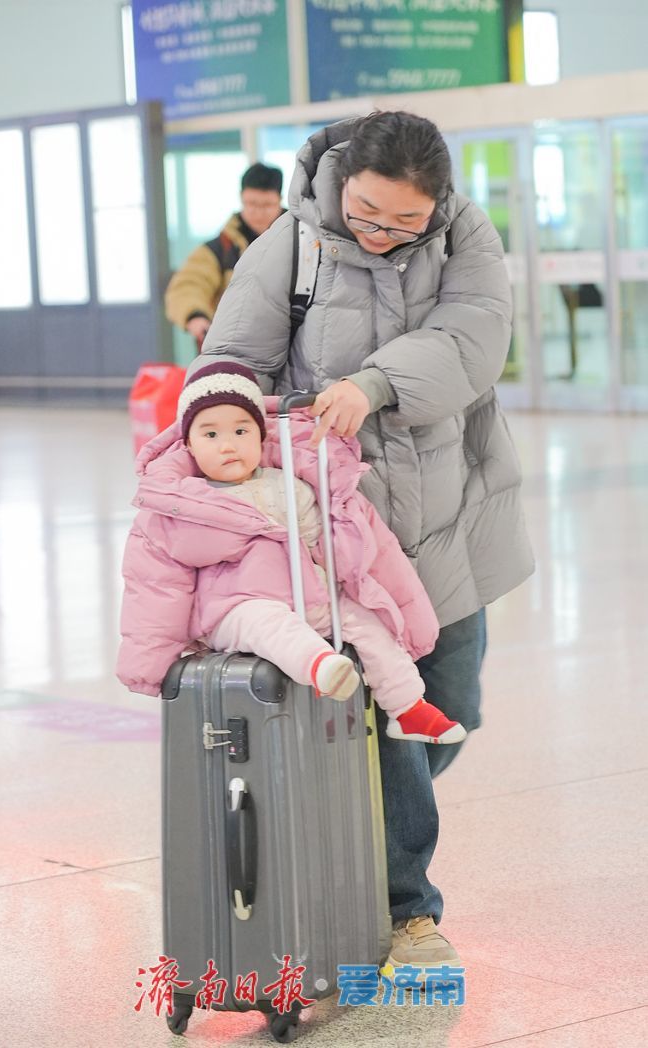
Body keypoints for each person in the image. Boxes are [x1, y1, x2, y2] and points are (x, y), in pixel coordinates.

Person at [183, 111, 535, 972]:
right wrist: (230, 437)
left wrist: (375, 384)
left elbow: (474, 340)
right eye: (367, 214)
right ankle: (408, 911)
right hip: (341, 528)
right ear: (344, 186)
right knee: (388, 718)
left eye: (404, 222)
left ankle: (351, 818)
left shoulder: (464, 237)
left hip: (446, 514)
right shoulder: (294, 242)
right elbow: (231, 363)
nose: (380, 234)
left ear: (436, 203)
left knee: (449, 712)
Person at [117, 360, 467, 748]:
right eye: (210, 434)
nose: (227, 445)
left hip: (310, 594)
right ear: (189, 444)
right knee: (266, 621)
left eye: (241, 430)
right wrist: (150, 666)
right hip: (232, 608)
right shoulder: (179, 506)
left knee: (364, 619)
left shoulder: (292, 486)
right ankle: (318, 666)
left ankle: (408, 707)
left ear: (261, 435)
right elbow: (155, 586)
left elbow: (352, 546)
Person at [164, 162, 284, 346]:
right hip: (231, 346)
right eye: (251, 204)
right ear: (241, 198)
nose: (259, 213)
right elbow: (188, 285)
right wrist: (196, 316)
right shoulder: (219, 249)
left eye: (267, 205)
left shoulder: (301, 241)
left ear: (280, 200)